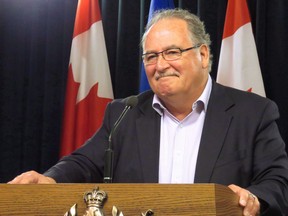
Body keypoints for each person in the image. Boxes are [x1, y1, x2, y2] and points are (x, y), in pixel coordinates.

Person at [9, 8, 288, 216]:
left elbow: (276, 181)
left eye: (172, 52)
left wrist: (254, 198)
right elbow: (83, 163)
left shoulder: (253, 112)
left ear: (203, 55)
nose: (160, 65)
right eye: (151, 56)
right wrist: (50, 179)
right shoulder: (123, 113)